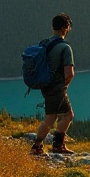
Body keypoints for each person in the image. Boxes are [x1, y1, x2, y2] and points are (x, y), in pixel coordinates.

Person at [31, 13, 75, 156]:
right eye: (69, 26)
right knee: (60, 117)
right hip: (57, 87)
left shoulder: (45, 43)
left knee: (61, 115)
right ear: (65, 28)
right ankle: (41, 146)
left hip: (46, 85)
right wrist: (64, 86)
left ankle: (49, 145)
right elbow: (69, 73)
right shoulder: (64, 47)